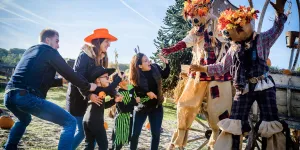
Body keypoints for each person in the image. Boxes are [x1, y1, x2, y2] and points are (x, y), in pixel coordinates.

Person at [190, 1, 290, 149]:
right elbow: (222, 67)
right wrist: (202, 68)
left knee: (270, 120)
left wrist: (280, 13)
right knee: (234, 121)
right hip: (243, 86)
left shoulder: (262, 39)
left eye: (239, 28)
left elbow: (276, 29)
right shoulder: (233, 48)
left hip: (264, 85)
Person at [3, 29, 97, 150]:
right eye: (56, 41)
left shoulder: (30, 51)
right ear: (48, 40)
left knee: (24, 119)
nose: (58, 45)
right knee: (70, 122)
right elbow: (70, 73)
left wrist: (59, 81)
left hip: (9, 95)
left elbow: (34, 78)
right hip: (26, 97)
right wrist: (88, 86)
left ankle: (9, 147)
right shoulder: (49, 51)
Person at [161, 0, 233, 149]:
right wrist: (171, 49)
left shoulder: (218, 25)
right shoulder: (196, 32)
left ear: (205, 12)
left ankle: (217, 141)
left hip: (218, 74)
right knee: (185, 104)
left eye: (197, 15)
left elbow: (228, 38)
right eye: (192, 17)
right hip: (199, 72)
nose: (194, 20)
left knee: (218, 111)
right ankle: (178, 140)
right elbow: (186, 41)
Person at [65, 28, 121, 149]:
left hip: (90, 100)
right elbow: (77, 78)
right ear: (98, 41)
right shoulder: (84, 56)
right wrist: (89, 95)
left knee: (89, 135)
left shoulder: (100, 58)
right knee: (81, 132)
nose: (109, 45)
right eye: (106, 41)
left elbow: (103, 80)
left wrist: (114, 94)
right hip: (78, 99)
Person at [129, 53, 170, 150]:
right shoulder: (136, 76)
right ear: (139, 66)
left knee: (156, 134)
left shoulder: (155, 67)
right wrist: (147, 92)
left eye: (148, 59)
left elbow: (165, 75)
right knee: (135, 134)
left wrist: (167, 64)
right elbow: (135, 88)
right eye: (145, 61)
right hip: (141, 108)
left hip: (156, 107)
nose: (149, 62)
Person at [83, 67, 123, 150]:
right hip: (96, 121)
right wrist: (118, 78)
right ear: (98, 80)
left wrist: (114, 101)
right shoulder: (98, 89)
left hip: (86, 120)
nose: (108, 80)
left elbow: (103, 105)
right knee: (103, 145)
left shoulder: (96, 91)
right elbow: (110, 88)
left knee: (89, 145)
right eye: (106, 77)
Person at [111, 72, 140, 150]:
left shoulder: (130, 88)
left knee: (123, 140)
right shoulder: (118, 94)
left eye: (126, 77)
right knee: (118, 142)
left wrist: (137, 100)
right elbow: (123, 109)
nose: (127, 79)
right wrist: (134, 101)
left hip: (129, 119)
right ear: (119, 83)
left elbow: (135, 98)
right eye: (124, 78)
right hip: (121, 120)